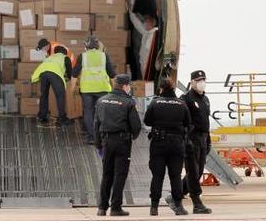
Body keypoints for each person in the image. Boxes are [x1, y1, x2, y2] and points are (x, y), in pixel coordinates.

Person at [94, 74, 142, 217]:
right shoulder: (129, 102)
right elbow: (136, 126)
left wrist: (98, 145)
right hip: (122, 142)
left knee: (107, 174)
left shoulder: (101, 101)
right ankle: (115, 208)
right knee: (120, 175)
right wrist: (132, 137)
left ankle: (102, 208)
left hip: (106, 141)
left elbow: (96, 124)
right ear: (125, 86)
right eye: (129, 86)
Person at [144, 78, 190, 216]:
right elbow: (188, 122)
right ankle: (179, 206)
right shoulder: (182, 104)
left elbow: (147, 120)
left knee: (157, 176)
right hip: (176, 144)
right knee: (175, 176)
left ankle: (154, 207)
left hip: (158, 143)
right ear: (173, 89)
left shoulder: (155, 103)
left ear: (161, 89)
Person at [171, 69, 213, 214]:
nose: (201, 83)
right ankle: (197, 202)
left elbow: (206, 121)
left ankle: (174, 196)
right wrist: (185, 139)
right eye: (198, 80)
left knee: (199, 171)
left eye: (203, 80)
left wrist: (208, 140)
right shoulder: (186, 99)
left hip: (202, 139)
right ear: (192, 82)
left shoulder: (205, 99)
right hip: (191, 139)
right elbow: (181, 121)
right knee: (193, 171)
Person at [73, 36, 116, 144]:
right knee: (103, 112)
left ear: (86, 46)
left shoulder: (82, 56)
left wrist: (72, 89)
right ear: (97, 46)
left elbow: (74, 75)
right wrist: (115, 90)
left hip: (87, 90)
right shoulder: (104, 56)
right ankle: (103, 136)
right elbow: (112, 75)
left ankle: (92, 137)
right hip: (103, 88)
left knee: (88, 112)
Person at [31, 38, 73, 126]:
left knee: (44, 95)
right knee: (60, 96)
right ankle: (62, 119)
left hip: (43, 73)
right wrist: (70, 81)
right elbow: (70, 74)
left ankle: (42, 116)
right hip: (54, 74)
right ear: (64, 53)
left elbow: (47, 66)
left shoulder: (50, 57)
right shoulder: (65, 58)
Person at [129, 6, 158, 81]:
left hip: (148, 64)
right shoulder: (147, 33)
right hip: (143, 62)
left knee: (147, 81)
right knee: (144, 80)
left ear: (150, 24)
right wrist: (130, 12)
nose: (144, 24)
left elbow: (149, 50)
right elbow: (137, 24)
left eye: (146, 23)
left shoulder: (153, 35)